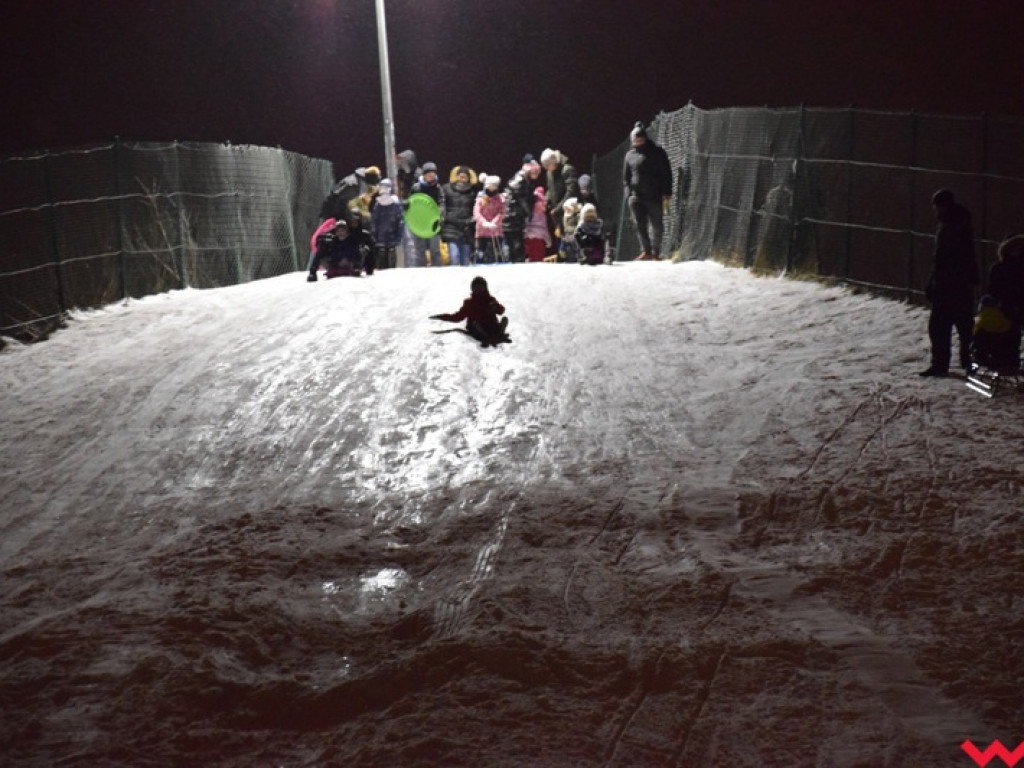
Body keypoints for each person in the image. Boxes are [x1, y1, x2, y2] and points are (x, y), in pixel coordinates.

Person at [919, 189, 979, 376]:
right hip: (954, 283)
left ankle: (946, 363)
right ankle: (965, 361)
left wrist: (936, 281)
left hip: (951, 284)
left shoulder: (952, 226)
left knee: (943, 326)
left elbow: (946, 258)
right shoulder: (957, 223)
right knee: (960, 325)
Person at [622, 121, 673, 260]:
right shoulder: (629, 155)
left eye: (640, 139)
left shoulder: (657, 152)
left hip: (654, 195)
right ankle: (646, 251)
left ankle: (656, 252)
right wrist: (629, 195)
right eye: (635, 140)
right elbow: (626, 177)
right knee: (639, 225)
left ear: (645, 138)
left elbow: (666, 173)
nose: (638, 142)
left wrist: (667, 192)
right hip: (635, 196)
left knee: (657, 225)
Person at [430, 275, 510, 347]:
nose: (478, 291)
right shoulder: (470, 302)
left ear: (485, 289)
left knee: (502, 320)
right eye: (476, 289)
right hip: (476, 327)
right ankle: (488, 337)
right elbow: (457, 317)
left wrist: (495, 306)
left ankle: (497, 334)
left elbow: (501, 311)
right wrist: (441, 317)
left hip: (490, 325)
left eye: (480, 288)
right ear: (473, 290)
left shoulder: (490, 300)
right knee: (476, 325)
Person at [308, 217, 373, 280]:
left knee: (362, 249)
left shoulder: (353, 239)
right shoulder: (333, 239)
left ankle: (357, 268)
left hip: (350, 262)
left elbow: (356, 251)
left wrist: (348, 260)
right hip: (335, 263)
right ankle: (312, 272)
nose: (341, 233)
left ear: (347, 231)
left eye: (342, 231)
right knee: (321, 247)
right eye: (338, 231)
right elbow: (320, 239)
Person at [540, 149, 580, 250]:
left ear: (554, 162)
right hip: (558, 215)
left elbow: (571, 192)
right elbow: (550, 189)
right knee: (562, 243)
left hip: (570, 212)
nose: (546, 169)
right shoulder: (549, 173)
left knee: (573, 241)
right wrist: (546, 200)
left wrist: (558, 208)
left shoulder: (567, 169)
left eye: (548, 165)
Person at [409, 162, 446, 267]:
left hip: (433, 222)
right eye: (429, 174)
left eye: (433, 173)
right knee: (420, 249)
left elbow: (441, 203)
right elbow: (412, 203)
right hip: (420, 222)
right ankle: (421, 271)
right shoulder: (416, 188)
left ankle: (437, 271)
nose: (431, 176)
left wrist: (439, 217)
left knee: (435, 249)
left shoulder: (438, 188)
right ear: (424, 175)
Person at [441, 166, 478, 267]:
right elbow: (441, 206)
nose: (462, 179)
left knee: (465, 259)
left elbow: (475, 208)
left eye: (465, 177)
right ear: (456, 176)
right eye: (460, 176)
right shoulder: (446, 189)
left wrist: (472, 221)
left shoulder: (473, 192)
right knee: (454, 256)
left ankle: (465, 281)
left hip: (467, 229)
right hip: (451, 227)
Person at [370, 178, 404, 271]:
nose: (383, 189)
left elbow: (400, 220)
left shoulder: (395, 203)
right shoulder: (378, 204)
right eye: (382, 187)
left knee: (391, 251)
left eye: (386, 187)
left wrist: (399, 234)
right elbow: (375, 219)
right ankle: (382, 269)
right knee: (382, 252)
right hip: (381, 233)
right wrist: (374, 232)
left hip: (392, 232)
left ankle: (392, 269)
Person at [474, 175, 505, 264]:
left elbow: (502, 212)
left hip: (495, 230)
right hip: (482, 231)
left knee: (497, 252)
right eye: (490, 186)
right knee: (481, 252)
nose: (491, 189)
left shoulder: (500, 198)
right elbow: (476, 212)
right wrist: (484, 222)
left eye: (494, 187)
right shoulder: (480, 198)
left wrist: (494, 222)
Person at [502, 172, 532, 263]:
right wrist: (529, 213)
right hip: (516, 219)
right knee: (518, 244)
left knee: (508, 245)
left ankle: (509, 262)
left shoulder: (507, 189)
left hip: (506, 219)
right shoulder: (520, 189)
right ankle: (518, 263)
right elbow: (524, 204)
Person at [524, 186, 552, 262]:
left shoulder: (528, 212)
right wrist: (548, 239)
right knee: (537, 258)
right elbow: (544, 228)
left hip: (528, 237)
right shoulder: (541, 215)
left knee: (531, 257)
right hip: (538, 238)